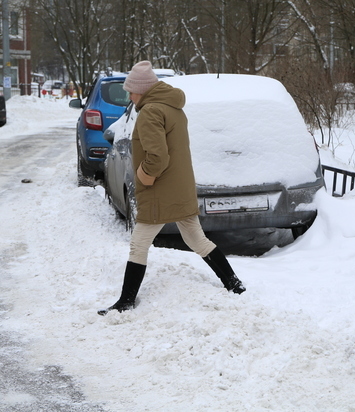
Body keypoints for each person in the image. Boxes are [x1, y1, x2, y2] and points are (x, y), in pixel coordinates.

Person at [98, 61, 245, 316]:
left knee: (139, 243)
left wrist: (143, 177)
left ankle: (126, 301)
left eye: (131, 91)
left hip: (159, 191)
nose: (129, 96)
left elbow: (158, 157)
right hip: (179, 187)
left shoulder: (150, 112)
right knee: (196, 239)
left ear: (142, 90)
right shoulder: (172, 107)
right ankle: (233, 283)